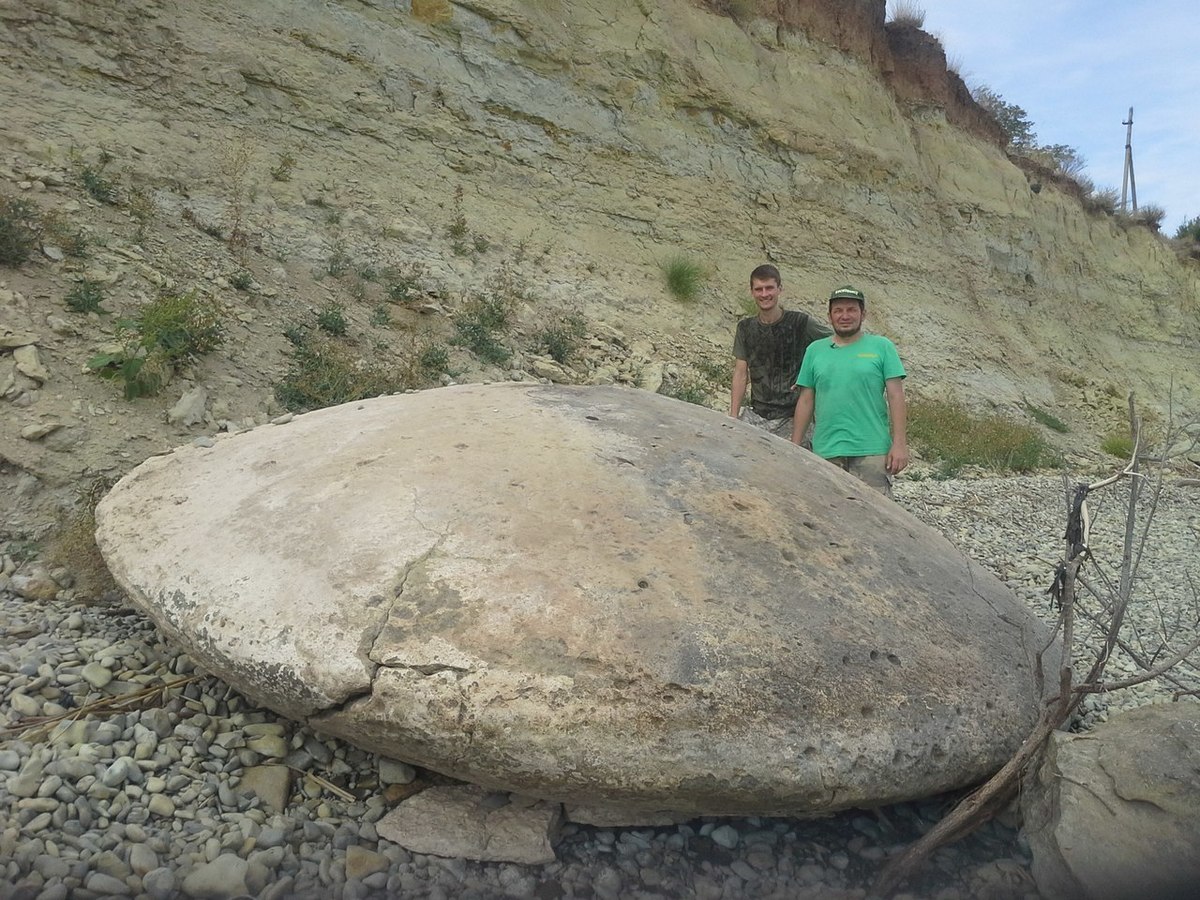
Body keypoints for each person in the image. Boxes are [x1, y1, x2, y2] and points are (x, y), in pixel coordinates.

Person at [790, 285, 908, 496]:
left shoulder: (882, 347)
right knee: (828, 517)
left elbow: (896, 395)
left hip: (872, 451)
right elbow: (806, 400)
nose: (845, 316)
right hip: (826, 451)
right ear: (829, 315)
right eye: (838, 310)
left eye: (851, 310)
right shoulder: (814, 350)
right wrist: (795, 446)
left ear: (863, 314)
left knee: (876, 520)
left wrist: (899, 444)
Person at [730, 264, 830, 440]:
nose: (764, 294)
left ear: (780, 289)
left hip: (794, 417)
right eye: (759, 289)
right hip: (758, 415)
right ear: (752, 292)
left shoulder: (801, 323)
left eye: (769, 288)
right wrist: (733, 415)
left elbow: (836, 343)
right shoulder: (745, 328)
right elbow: (740, 373)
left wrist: (811, 375)